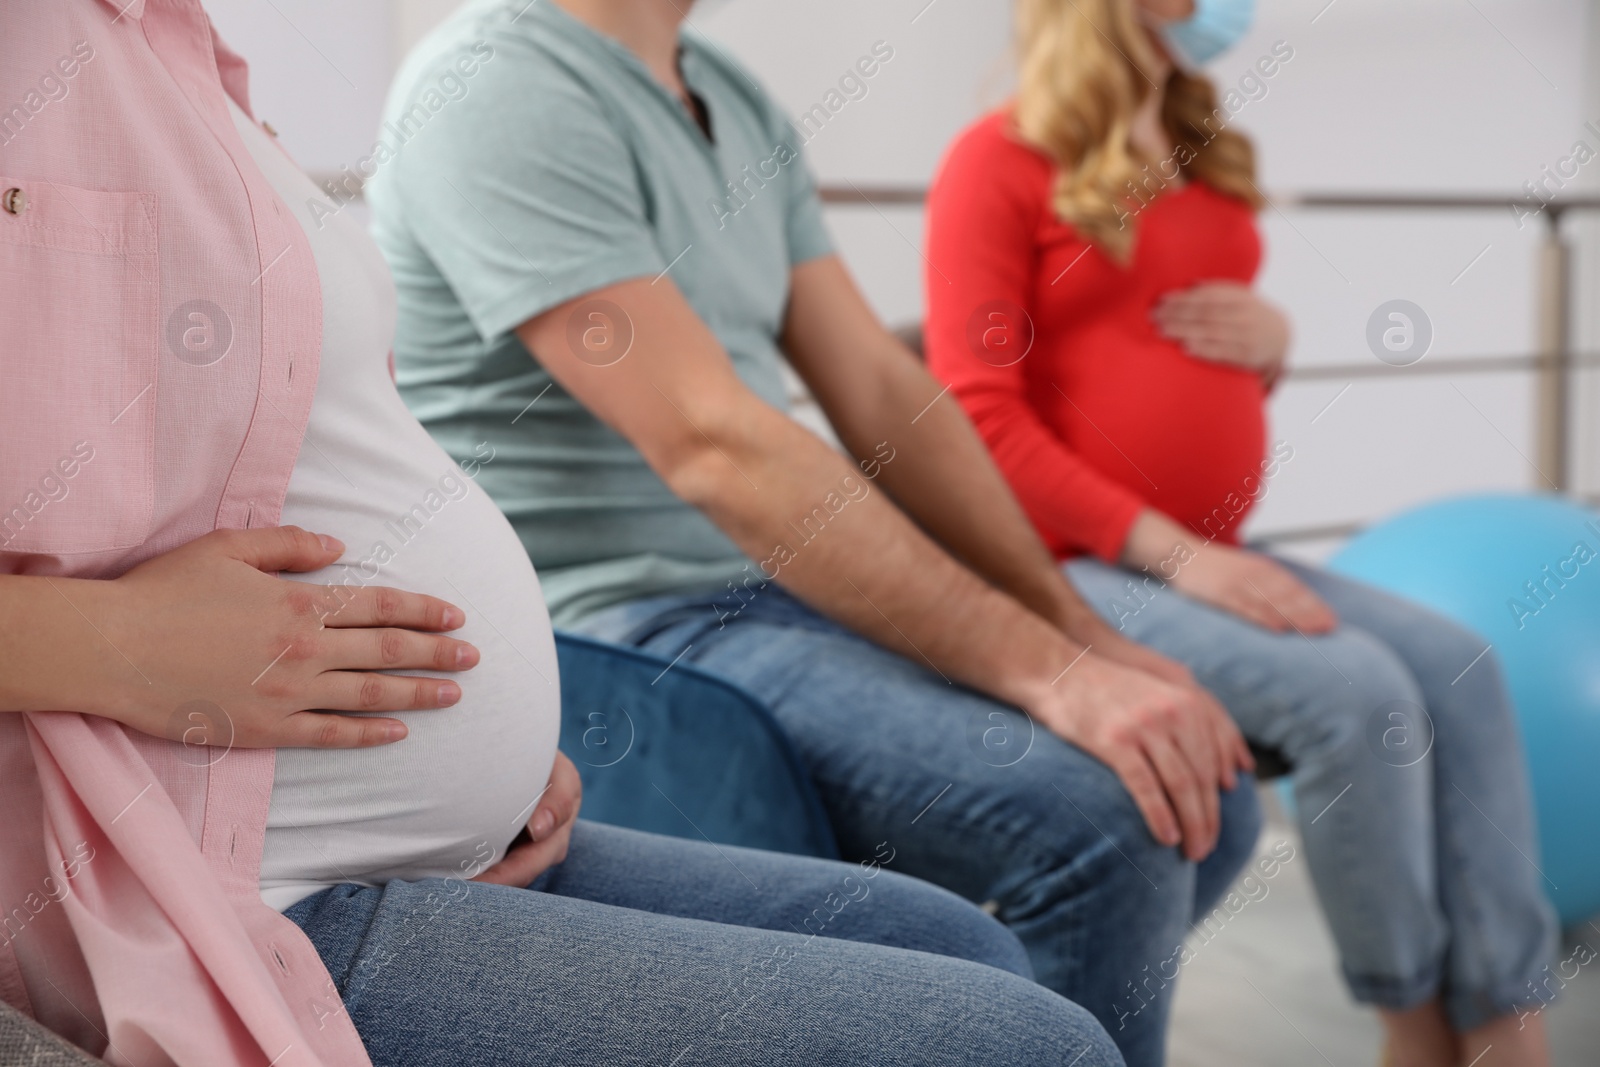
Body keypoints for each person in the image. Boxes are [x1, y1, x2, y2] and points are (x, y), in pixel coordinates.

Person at [0, 3, 1127, 1065]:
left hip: (434, 809)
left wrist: (480, 768)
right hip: (233, 874)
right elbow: (713, 440)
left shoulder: (174, 51)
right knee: (1033, 1035)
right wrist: (118, 641)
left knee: (958, 944)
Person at [373, 1, 1263, 1063]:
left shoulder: (730, 98)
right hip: (608, 624)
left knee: (1211, 789)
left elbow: (884, 391)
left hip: (759, 588)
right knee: (1108, 819)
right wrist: (1050, 673)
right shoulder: (496, 87)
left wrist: (1076, 632)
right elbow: (715, 442)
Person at [921, 1, 1562, 1065]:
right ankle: (1411, 1031)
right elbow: (976, 416)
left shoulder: (1194, 145)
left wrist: (1274, 343)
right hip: (1076, 564)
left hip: (1214, 553)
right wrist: (1177, 553)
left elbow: (1174, 337)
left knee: (1461, 663)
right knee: (1356, 696)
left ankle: (1504, 1026)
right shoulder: (994, 161)